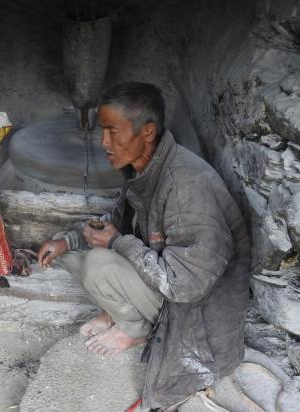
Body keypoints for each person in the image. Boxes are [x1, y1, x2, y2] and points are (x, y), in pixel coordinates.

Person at [37, 81, 250, 410]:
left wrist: (116, 243)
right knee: (75, 258)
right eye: (101, 130)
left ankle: (134, 329)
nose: (104, 142)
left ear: (147, 131)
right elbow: (116, 220)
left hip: (197, 312)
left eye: (112, 131)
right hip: (166, 281)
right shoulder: (146, 168)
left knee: (98, 265)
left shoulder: (185, 186)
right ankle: (120, 312)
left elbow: (186, 287)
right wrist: (67, 241)